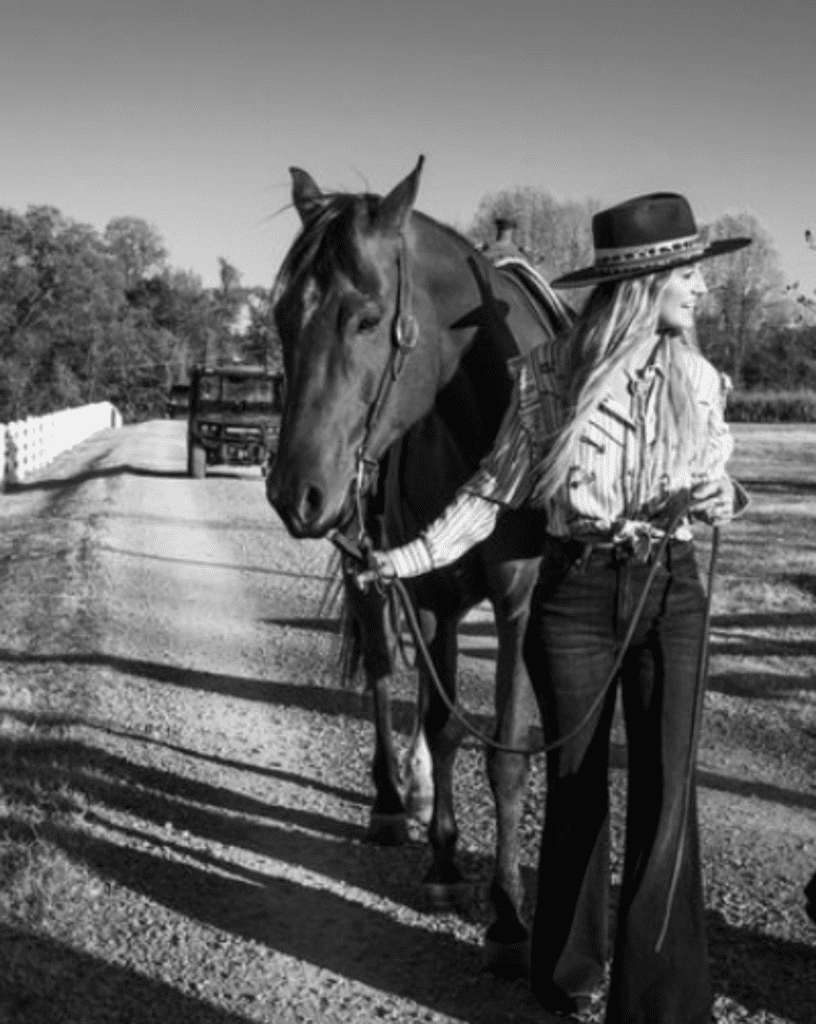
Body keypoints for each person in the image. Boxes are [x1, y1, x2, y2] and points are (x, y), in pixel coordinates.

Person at [359, 192, 750, 1024]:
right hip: (574, 595)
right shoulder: (544, 378)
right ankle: (567, 970)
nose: (702, 291)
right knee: (575, 790)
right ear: (646, 284)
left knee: (668, 793)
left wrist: (724, 494)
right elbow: (491, 494)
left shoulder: (703, 379)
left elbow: (722, 480)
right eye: (690, 275)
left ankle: (661, 1005)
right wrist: (405, 557)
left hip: (673, 588)